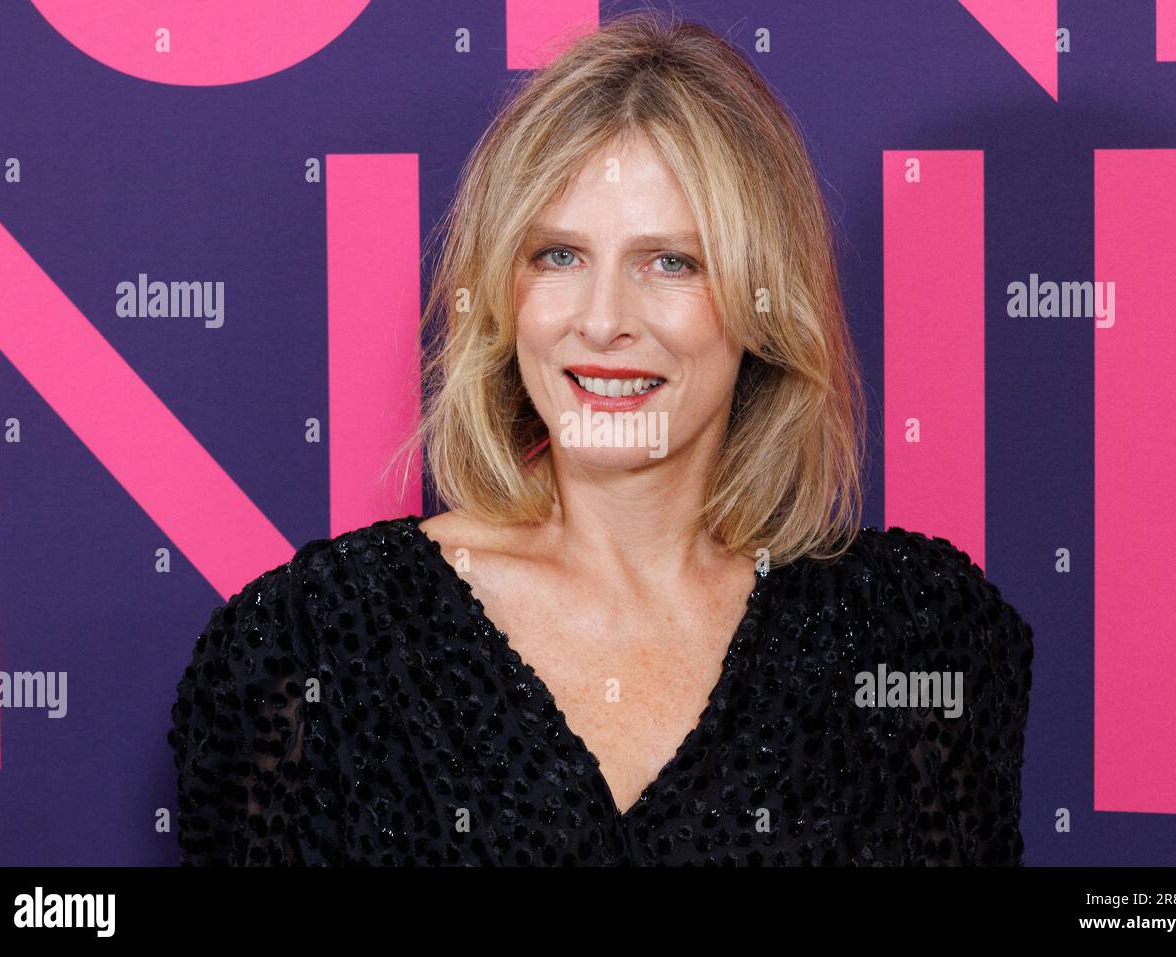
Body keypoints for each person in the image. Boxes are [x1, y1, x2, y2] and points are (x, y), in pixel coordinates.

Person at [168, 10, 1033, 866]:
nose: (605, 321)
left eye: (671, 262)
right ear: (501, 295)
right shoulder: (314, 642)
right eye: (559, 256)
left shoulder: (915, 632)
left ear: (764, 303)